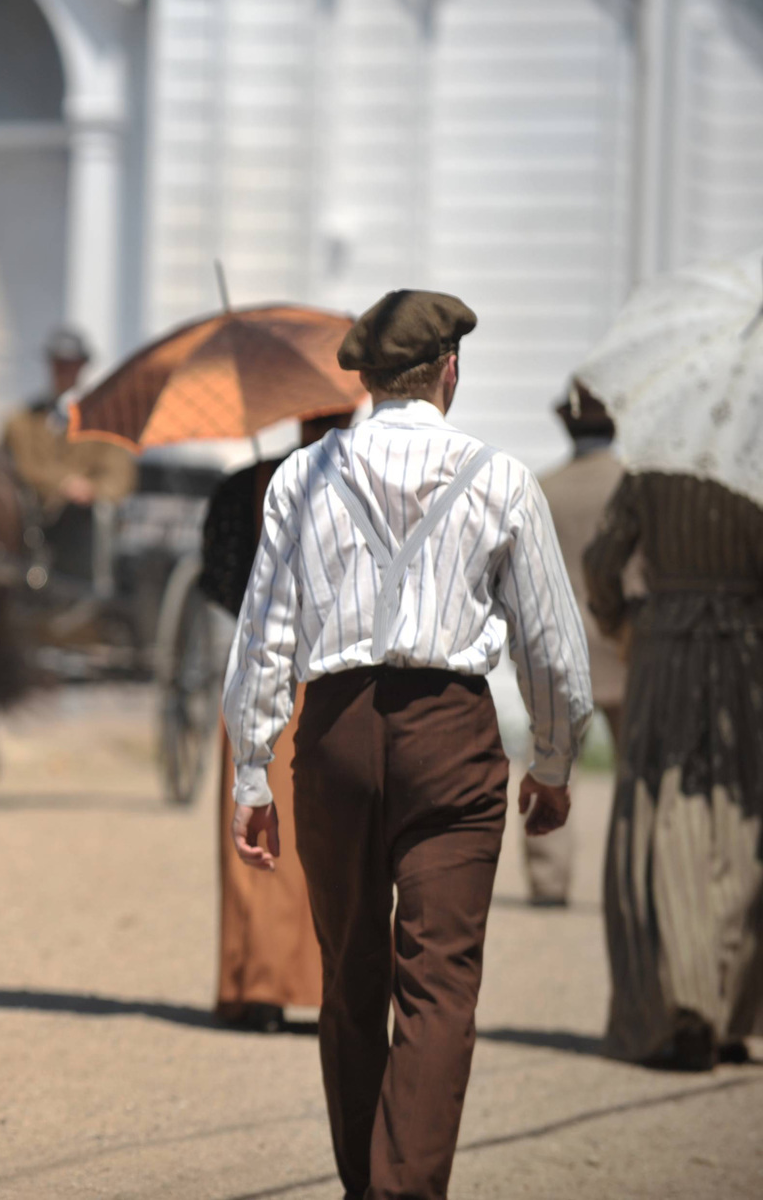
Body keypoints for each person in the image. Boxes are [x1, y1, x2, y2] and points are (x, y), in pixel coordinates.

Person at [223, 289, 592, 1200]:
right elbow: (554, 650)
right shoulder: (500, 478)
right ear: (449, 372)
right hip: (451, 738)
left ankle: (366, 1184)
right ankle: (406, 1190)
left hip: (337, 735)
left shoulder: (300, 478)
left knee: (349, 980)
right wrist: (552, 764)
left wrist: (250, 772)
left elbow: (265, 635)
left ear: (367, 377)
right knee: (440, 985)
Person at [585, 468, 763, 1070]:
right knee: (742, 826)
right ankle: (731, 1009)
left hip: (664, 649)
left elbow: (602, 560)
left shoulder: (652, 466)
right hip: (746, 654)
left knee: (665, 826)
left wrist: (623, 621)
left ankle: (685, 1009)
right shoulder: (755, 463)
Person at [198, 409, 354, 1032]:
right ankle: (327, 986)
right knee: (332, 843)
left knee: (254, 842)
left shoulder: (246, 486)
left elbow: (216, 580)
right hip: (337, 678)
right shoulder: (373, 482)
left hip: (257, 667)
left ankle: (252, 985)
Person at [525, 384, 632, 907]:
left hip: (562, 654)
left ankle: (548, 881)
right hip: (628, 649)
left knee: (552, 767)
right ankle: (638, 878)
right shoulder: (634, 486)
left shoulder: (543, 488)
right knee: (641, 773)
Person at [0, 328, 137, 581]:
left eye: (71, 365)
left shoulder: (105, 423)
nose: (64, 371)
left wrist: (90, 489)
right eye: (59, 364)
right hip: (28, 521)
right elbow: (12, 467)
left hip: (80, 527)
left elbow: (119, 478)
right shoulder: (21, 422)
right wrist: (62, 483)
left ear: (82, 367)